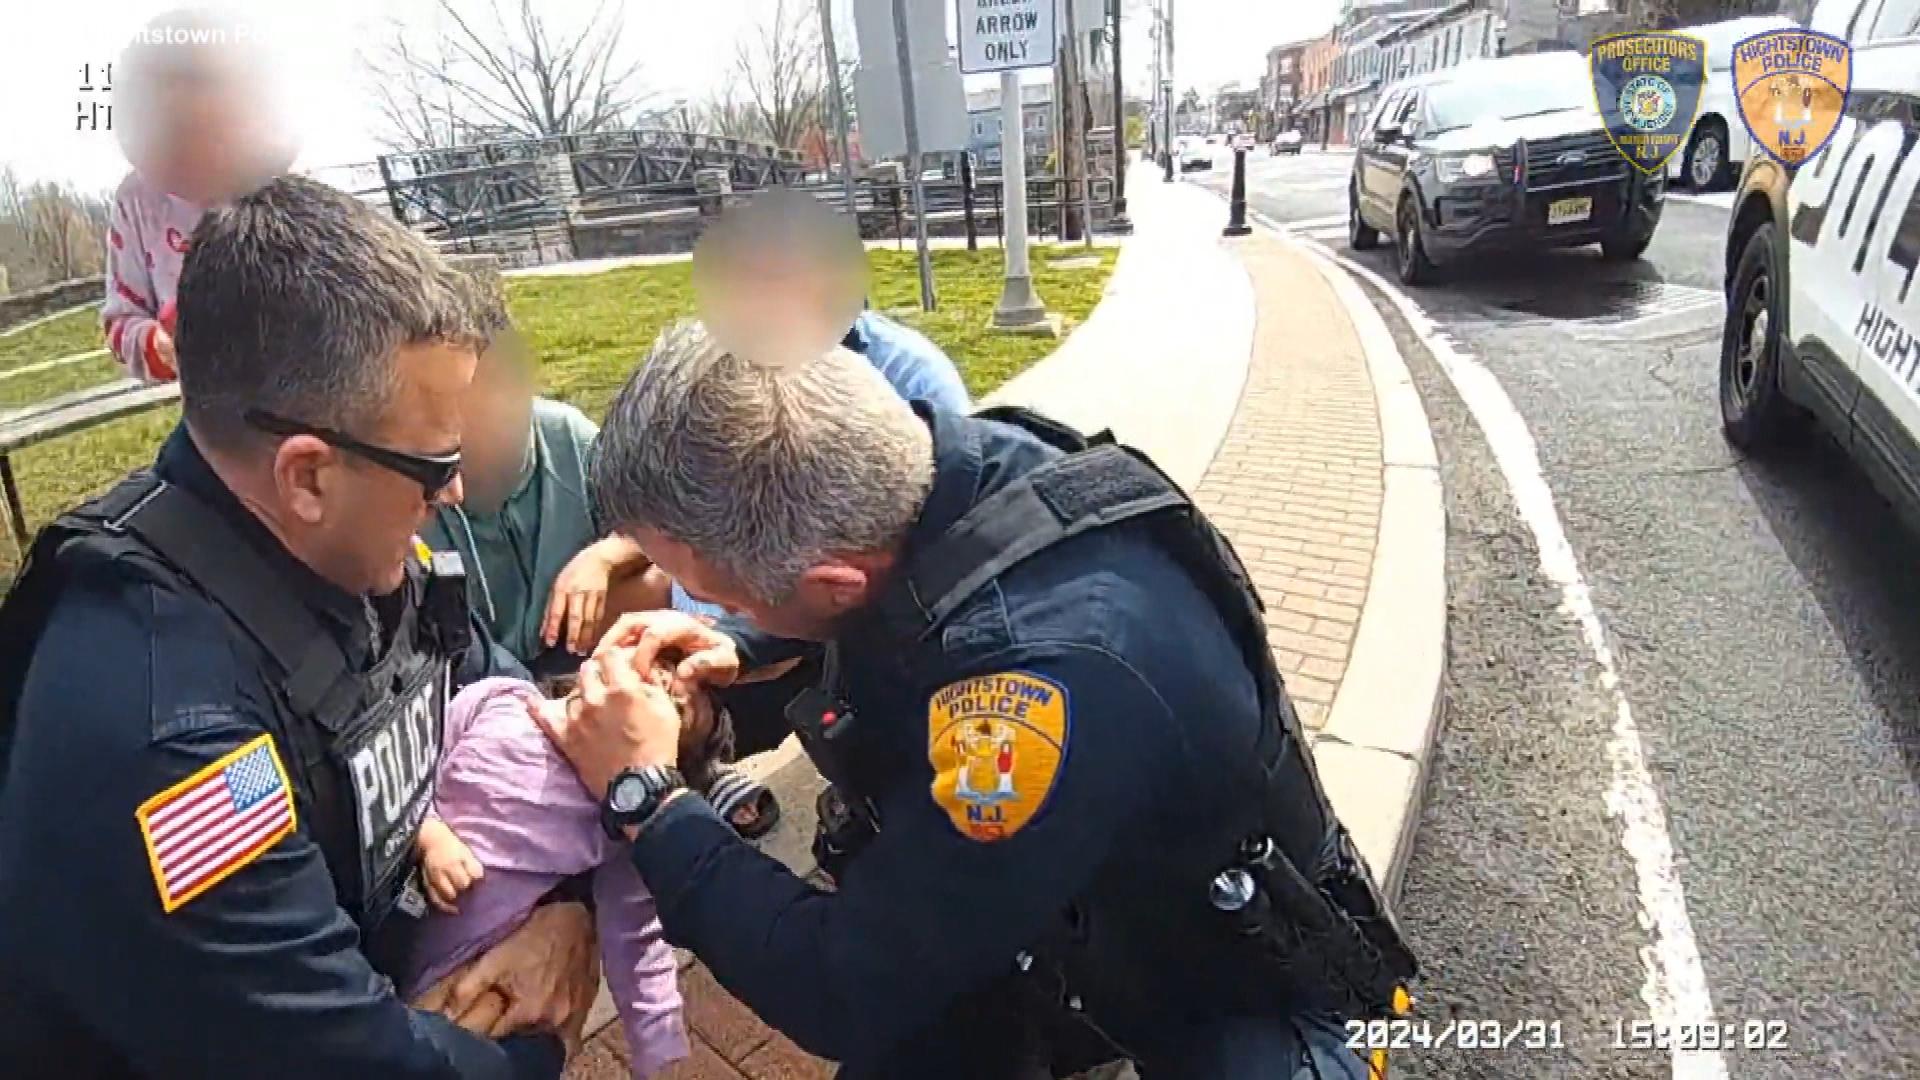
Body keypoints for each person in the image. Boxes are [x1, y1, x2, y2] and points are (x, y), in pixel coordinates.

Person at [532, 320, 1419, 1077]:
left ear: (834, 580)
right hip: (1071, 915)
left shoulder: (1033, 694)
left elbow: (846, 986)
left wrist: (646, 796)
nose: (713, 609)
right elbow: (897, 615)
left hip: (1250, 990)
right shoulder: (948, 470)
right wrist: (742, 650)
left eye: (716, 594)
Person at [0, 176, 597, 1078]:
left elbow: (501, 697)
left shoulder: (359, 552)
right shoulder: (170, 737)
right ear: (307, 476)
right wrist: (536, 1038)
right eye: (435, 465)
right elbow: (331, 1057)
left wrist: (570, 904)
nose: (456, 494)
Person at [419, 284, 779, 838]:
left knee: (655, 591)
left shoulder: (563, 433)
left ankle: (687, 769)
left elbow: (653, 523)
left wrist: (606, 555)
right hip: (481, 682)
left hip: (575, 654)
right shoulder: (424, 475)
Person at [406, 666, 737, 1080]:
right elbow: (414, 768)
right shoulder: (500, 698)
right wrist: (430, 833)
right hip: (387, 913)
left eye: (675, 710)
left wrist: (658, 1045)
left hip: (469, 967)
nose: (665, 683)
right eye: (664, 665)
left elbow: (636, 939)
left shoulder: (622, 822)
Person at [101, 7, 298, 382]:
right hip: (210, 403)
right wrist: (156, 345)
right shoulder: (138, 201)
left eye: (211, 134)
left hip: (299, 387)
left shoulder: (280, 186)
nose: (195, 156)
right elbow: (121, 317)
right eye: (173, 134)